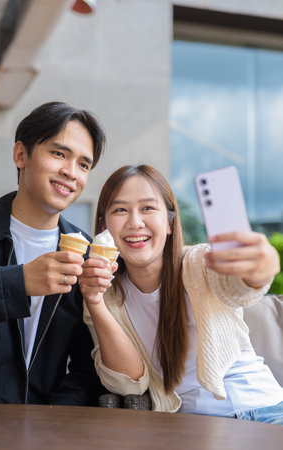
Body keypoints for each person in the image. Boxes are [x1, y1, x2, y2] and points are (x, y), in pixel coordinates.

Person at [79, 164, 283, 424]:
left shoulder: (198, 261)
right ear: (103, 225)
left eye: (148, 208)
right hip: (193, 427)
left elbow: (237, 289)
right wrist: (95, 302)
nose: (135, 222)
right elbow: (129, 382)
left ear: (170, 224)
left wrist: (260, 270)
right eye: (120, 210)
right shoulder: (102, 291)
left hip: (266, 410)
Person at [0, 101, 106, 405]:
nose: (71, 172)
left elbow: (89, 369)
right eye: (59, 153)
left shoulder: (86, 257)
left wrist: (52, 423)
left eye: (84, 164)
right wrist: (17, 283)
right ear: (21, 154)